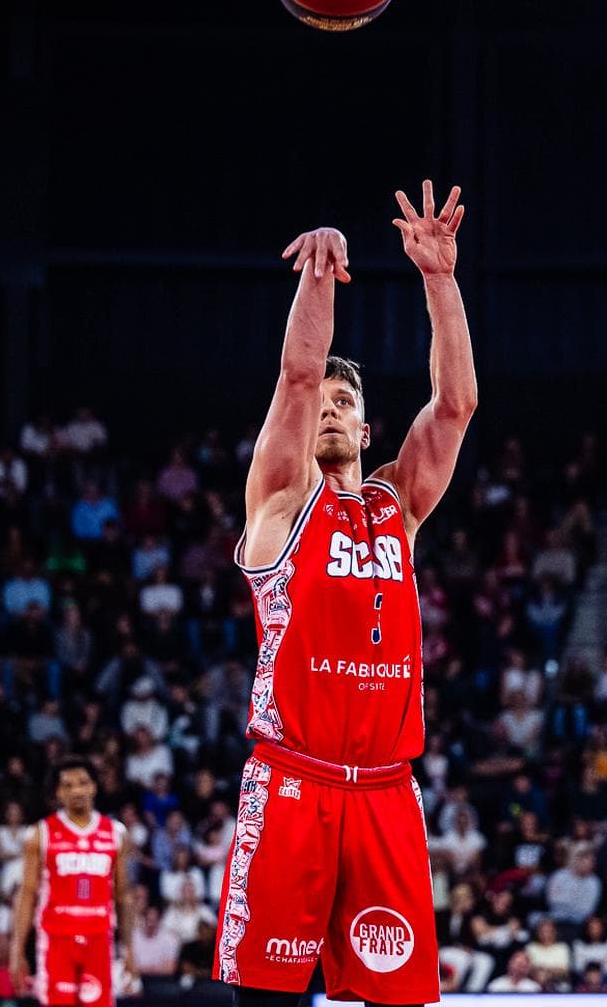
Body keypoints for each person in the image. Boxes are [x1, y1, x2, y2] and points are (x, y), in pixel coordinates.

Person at [215, 184, 477, 1007]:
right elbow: (296, 377)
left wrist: (439, 279)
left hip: (387, 794)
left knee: (397, 1001)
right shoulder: (283, 503)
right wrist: (322, 273)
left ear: (367, 430)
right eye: (324, 403)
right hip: (295, 782)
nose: (329, 407)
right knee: (267, 999)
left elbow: (456, 404)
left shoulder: (395, 507)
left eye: (347, 401)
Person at [10, 758, 136, 1007]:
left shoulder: (116, 833)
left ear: (94, 787)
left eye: (82, 783)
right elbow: (27, 894)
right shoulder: (40, 834)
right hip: (56, 941)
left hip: (99, 940)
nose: (76, 790)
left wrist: (130, 948)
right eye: (67, 785)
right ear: (58, 792)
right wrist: (17, 949)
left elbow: (123, 896)